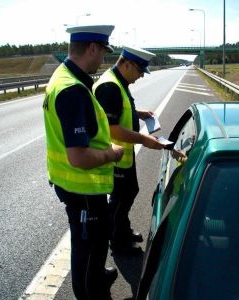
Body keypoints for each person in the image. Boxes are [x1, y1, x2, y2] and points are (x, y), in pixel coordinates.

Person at [43, 24, 124, 300]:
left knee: (91, 245)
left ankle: (98, 278)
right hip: (83, 189)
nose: (103, 58)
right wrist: (112, 154)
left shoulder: (63, 77)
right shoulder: (73, 90)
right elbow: (78, 156)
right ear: (92, 48)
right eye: (102, 51)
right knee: (88, 249)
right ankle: (93, 295)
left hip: (73, 185)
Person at [93, 46, 165, 255]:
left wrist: (138, 113)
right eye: (140, 70)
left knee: (129, 193)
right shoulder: (110, 86)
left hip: (124, 155)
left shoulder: (119, 82)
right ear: (126, 63)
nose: (141, 75)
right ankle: (118, 242)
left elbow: (118, 109)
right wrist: (144, 139)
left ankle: (122, 230)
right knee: (120, 200)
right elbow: (112, 128)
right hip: (115, 156)